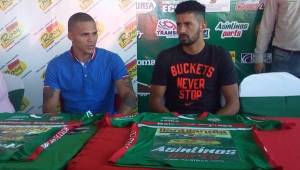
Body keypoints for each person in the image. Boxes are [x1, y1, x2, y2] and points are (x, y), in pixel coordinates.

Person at [149, 1, 239, 115]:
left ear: (203, 25)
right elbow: (154, 101)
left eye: (187, 24)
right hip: (174, 124)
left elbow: (234, 103)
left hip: (210, 123)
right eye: (178, 24)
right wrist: (171, 119)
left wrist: (211, 122)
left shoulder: (220, 55)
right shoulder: (165, 57)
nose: (181, 30)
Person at [43, 12, 136, 115]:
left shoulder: (112, 59)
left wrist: (116, 120)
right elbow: (49, 108)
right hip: (73, 125)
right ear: (70, 36)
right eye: (85, 34)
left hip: (106, 123)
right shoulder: (55, 66)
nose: (91, 39)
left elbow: (130, 96)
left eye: (94, 33)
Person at [254, 0, 300, 77]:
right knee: (281, 89)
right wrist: (259, 57)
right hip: (284, 57)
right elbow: (266, 25)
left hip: (284, 57)